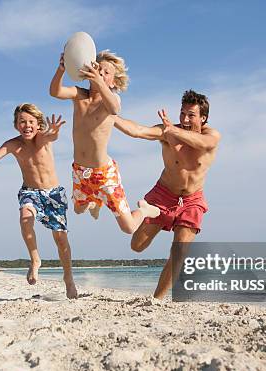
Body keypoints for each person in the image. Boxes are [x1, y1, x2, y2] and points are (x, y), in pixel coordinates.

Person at [0, 103, 78, 299]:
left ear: (38, 124)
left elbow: (52, 136)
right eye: (22, 122)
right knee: (25, 219)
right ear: (16, 125)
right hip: (30, 192)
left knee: (61, 239)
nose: (26, 125)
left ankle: (68, 279)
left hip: (54, 194)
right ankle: (35, 260)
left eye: (30, 122)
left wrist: (53, 132)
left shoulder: (44, 137)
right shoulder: (13, 144)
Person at [114, 90, 221, 298]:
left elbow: (202, 143)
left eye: (191, 115)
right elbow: (137, 130)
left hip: (192, 200)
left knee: (179, 252)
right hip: (163, 195)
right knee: (137, 246)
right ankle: (147, 211)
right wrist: (109, 117)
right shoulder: (167, 132)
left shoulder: (212, 135)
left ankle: (157, 301)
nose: (185, 119)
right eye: (182, 113)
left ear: (203, 118)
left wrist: (173, 131)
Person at [49, 50, 159, 233]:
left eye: (106, 73)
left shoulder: (111, 100)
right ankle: (94, 201)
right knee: (78, 209)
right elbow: (55, 91)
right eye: (98, 69)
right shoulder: (79, 95)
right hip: (80, 171)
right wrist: (62, 69)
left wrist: (100, 83)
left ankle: (144, 210)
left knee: (129, 228)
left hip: (104, 175)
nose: (100, 73)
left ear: (113, 82)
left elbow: (115, 108)